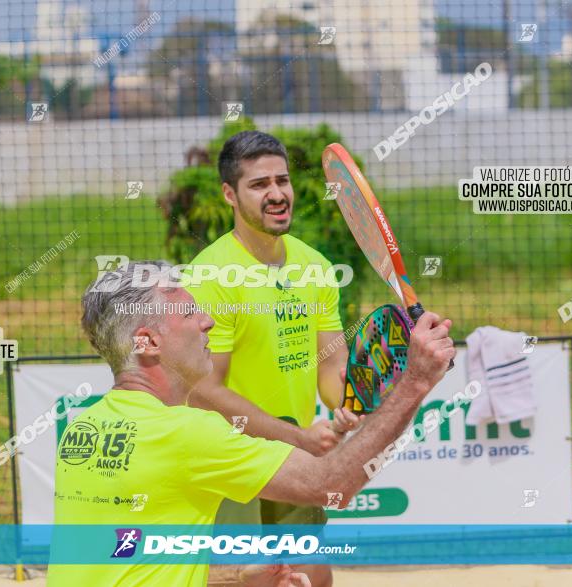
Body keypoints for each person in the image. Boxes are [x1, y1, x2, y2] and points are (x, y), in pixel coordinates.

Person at [47, 261, 455, 586]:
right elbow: (331, 485)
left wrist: (239, 580)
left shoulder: (86, 428)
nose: (207, 321)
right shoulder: (187, 434)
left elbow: (128, 557)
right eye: (189, 312)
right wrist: (416, 382)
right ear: (148, 342)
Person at [185, 130, 353, 585]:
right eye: (259, 185)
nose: (277, 194)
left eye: (282, 181)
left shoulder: (315, 266)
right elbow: (203, 391)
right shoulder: (211, 275)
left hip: (292, 451)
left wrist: (354, 405)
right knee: (245, 579)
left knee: (313, 576)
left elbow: (331, 368)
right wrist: (296, 436)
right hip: (228, 457)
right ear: (229, 195)